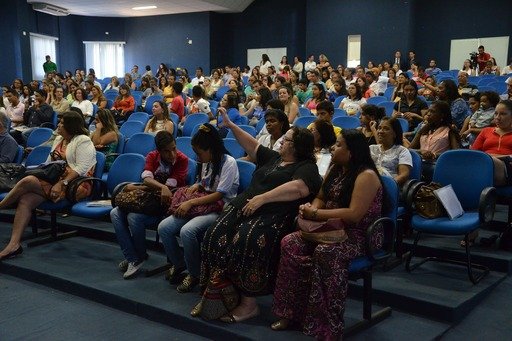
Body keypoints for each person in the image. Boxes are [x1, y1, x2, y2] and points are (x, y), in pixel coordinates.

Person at [191, 109, 322, 322]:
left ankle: (249, 304)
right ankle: (218, 294)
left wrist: (263, 198)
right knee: (215, 234)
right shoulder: (275, 158)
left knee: (245, 240)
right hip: (245, 207)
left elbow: (300, 188)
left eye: (286, 140)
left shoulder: (306, 167)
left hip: (273, 215)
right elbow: (252, 145)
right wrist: (231, 126)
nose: (281, 142)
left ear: (297, 147)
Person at [271, 129, 384, 340]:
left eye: (339, 145)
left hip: (358, 235)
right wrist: (310, 209)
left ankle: (325, 324)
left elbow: (353, 215)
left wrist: (316, 213)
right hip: (328, 228)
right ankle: (291, 313)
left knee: (326, 252)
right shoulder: (336, 168)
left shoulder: (366, 175)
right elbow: (321, 197)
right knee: (290, 243)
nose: (333, 148)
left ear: (351, 152)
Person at [0, 111, 96, 260]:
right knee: (26, 199)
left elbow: (82, 168)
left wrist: (61, 183)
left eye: (62, 123)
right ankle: (14, 245)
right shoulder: (59, 139)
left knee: (28, 181)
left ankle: (2, 206)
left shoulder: (83, 140)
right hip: (55, 181)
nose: (58, 125)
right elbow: (49, 164)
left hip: (76, 184)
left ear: (71, 126)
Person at [158, 124, 240, 292]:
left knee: (187, 231)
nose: (197, 156)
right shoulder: (206, 161)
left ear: (210, 149)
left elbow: (219, 195)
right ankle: (180, 265)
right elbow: (204, 182)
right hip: (203, 204)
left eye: (199, 152)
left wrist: (191, 202)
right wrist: (196, 186)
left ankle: (195, 274)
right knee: (164, 228)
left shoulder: (228, 162)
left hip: (220, 208)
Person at [110, 131, 188, 279]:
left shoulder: (182, 160)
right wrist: (159, 187)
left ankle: (137, 256)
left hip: (166, 206)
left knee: (134, 217)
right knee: (114, 213)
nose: (172, 154)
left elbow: (170, 188)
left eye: (174, 148)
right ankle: (133, 257)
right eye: (167, 151)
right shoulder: (152, 156)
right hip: (148, 201)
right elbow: (146, 179)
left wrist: (148, 187)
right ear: (159, 151)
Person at [408, 101, 460, 180]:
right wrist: (421, 151)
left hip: (437, 165)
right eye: (428, 111)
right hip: (420, 163)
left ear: (442, 115)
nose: (428, 114)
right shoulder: (423, 129)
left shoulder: (449, 131)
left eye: (432, 112)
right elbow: (409, 150)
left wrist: (434, 155)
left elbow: (455, 154)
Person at [471, 100, 512, 186]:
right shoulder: (486, 131)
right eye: (496, 114)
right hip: (484, 164)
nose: (497, 117)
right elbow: (473, 153)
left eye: (503, 114)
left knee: (491, 161)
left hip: (507, 168)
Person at [370, 117, 412, 186]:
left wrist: (388, 185)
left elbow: (404, 175)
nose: (380, 131)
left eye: (386, 129)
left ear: (395, 133)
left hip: (388, 187)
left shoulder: (402, 151)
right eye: (379, 128)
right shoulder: (371, 148)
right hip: (368, 183)